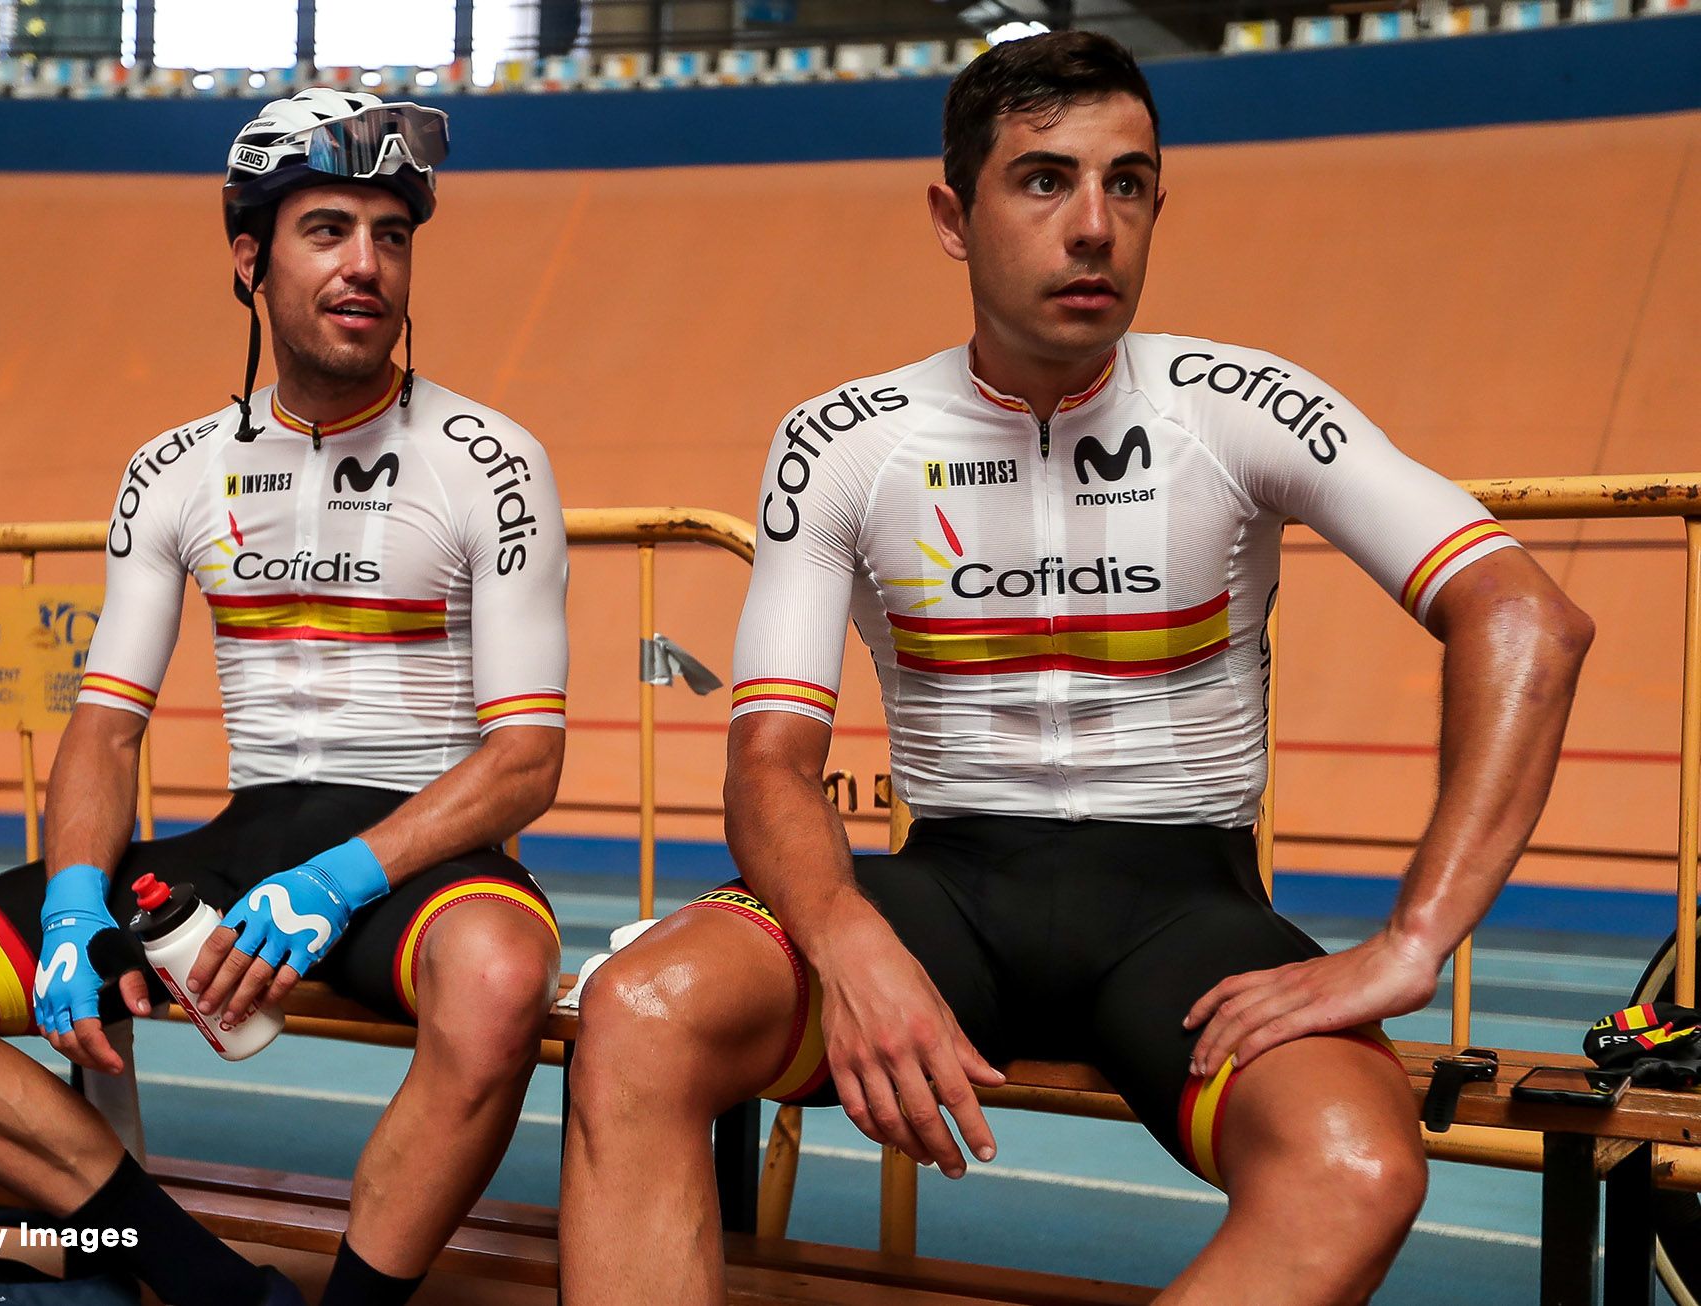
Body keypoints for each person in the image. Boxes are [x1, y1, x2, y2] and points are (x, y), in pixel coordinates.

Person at [560, 32, 1592, 1306]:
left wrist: (1412, 942)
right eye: (1044, 180)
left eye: (1128, 183)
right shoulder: (846, 439)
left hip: (1182, 918)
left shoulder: (1239, 404)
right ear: (955, 213)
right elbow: (768, 756)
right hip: (942, 893)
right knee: (634, 1012)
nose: (1093, 226)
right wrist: (844, 936)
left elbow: (1525, 621)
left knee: (1356, 1167)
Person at [0, 88, 570, 1306]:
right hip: (245, 838)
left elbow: (526, 759)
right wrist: (72, 900)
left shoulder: (492, 457)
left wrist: (342, 878)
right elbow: (108, 726)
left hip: (425, 854)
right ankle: (224, 1295)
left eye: (392, 234)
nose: (365, 265)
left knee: (496, 984)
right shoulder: (173, 470)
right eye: (326, 229)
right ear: (250, 259)